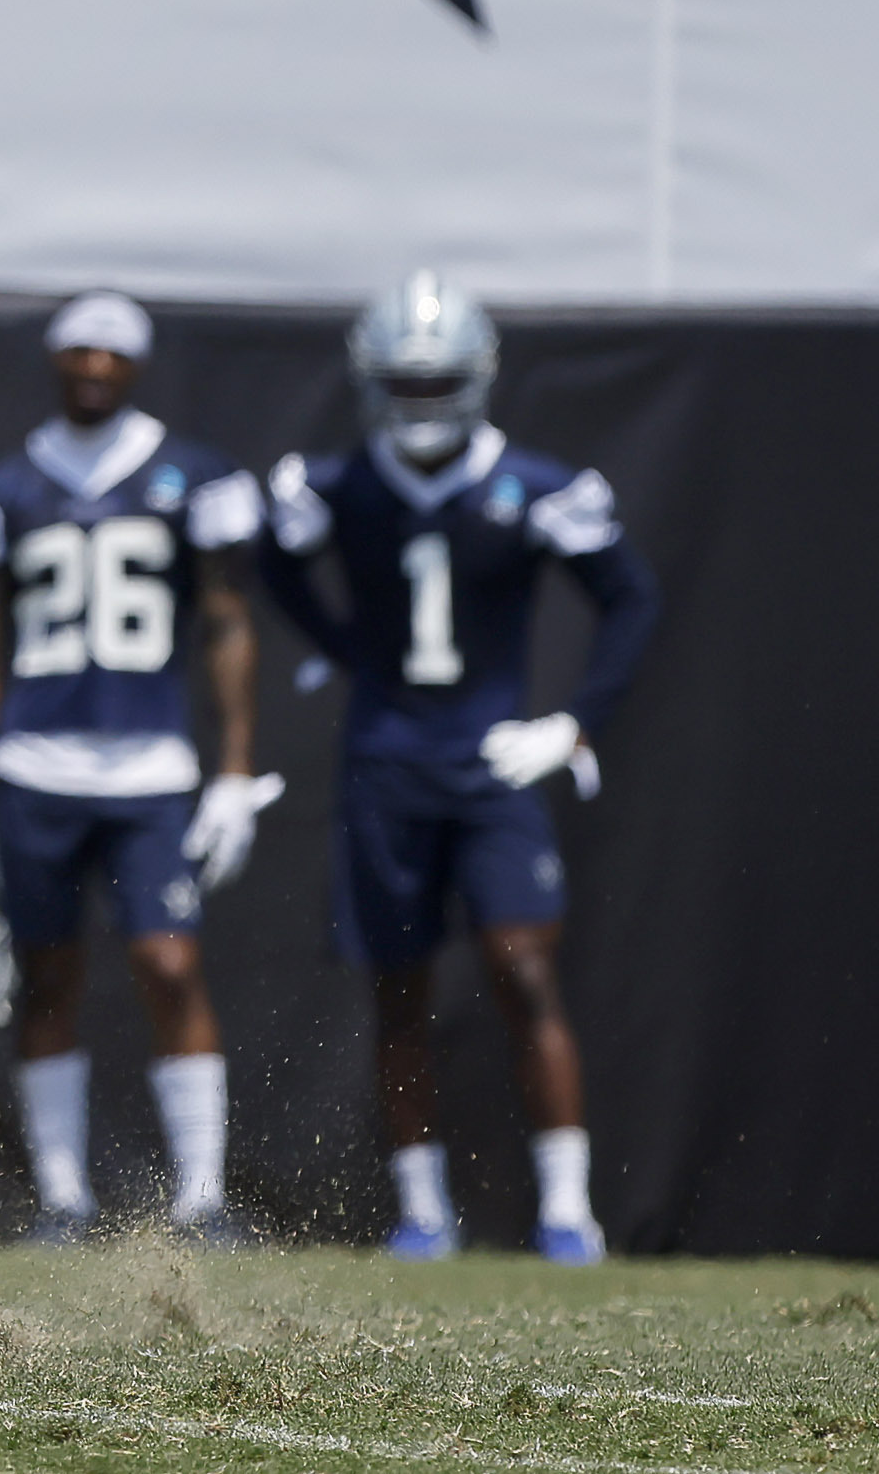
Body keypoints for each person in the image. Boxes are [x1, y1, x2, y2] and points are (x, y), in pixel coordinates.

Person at [261, 271, 660, 1266]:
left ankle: (569, 1210)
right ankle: (422, 1212)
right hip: (389, 760)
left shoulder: (534, 485)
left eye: (439, 382)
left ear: (477, 380)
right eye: (407, 380)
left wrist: (572, 725)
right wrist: (347, 646)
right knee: (399, 990)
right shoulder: (343, 484)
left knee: (525, 972)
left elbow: (632, 598)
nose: (422, 400)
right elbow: (276, 567)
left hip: (490, 762)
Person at [0, 294, 272, 1242]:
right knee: (48, 976)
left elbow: (228, 623)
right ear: (54, 360)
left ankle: (202, 1196)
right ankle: (63, 1198)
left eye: (109, 353)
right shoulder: (3, 490)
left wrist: (235, 771)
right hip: (35, 762)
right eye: (76, 350)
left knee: (169, 962)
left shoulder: (194, 477)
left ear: (137, 366)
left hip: (149, 765)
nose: (91, 366)